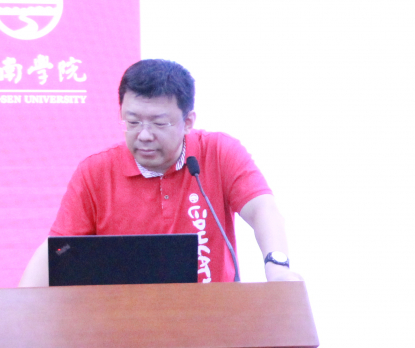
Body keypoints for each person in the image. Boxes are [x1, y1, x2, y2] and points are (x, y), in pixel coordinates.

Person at [18, 58, 299, 286]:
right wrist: (22, 303)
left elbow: (262, 209)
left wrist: (277, 268)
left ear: (188, 121)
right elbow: (59, 248)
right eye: (133, 122)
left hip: (213, 317)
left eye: (159, 123)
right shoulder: (95, 172)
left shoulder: (219, 152)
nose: (144, 135)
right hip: (121, 323)